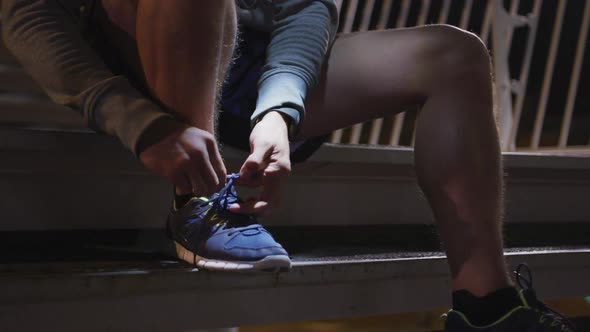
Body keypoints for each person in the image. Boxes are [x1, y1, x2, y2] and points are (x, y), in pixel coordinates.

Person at [1, 0, 577, 331]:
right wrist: (133, 118)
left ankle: (488, 307)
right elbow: (28, 13)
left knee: (455, 53)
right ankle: (202, 202)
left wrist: (279, 110)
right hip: (148, 54)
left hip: (258, 69)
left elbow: (306, 6)